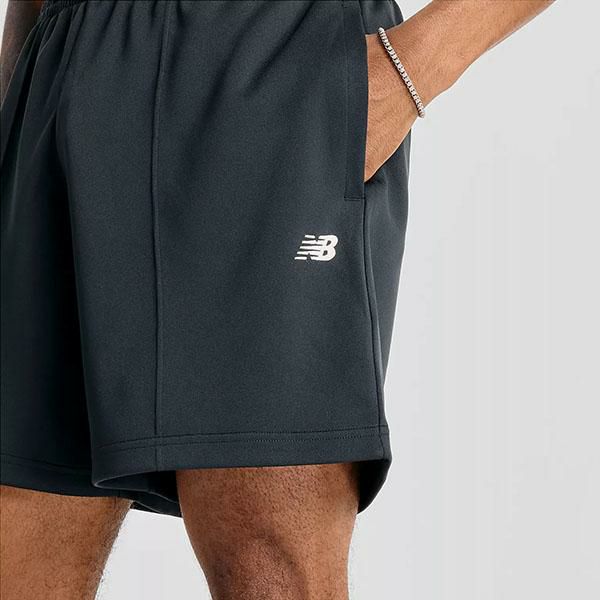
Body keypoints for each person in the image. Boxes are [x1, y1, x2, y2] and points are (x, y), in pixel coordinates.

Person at [0, 1, 553, 598]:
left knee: (268, 560)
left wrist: (407, 73)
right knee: (15, 550)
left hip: (271, 50)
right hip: (64, 58)